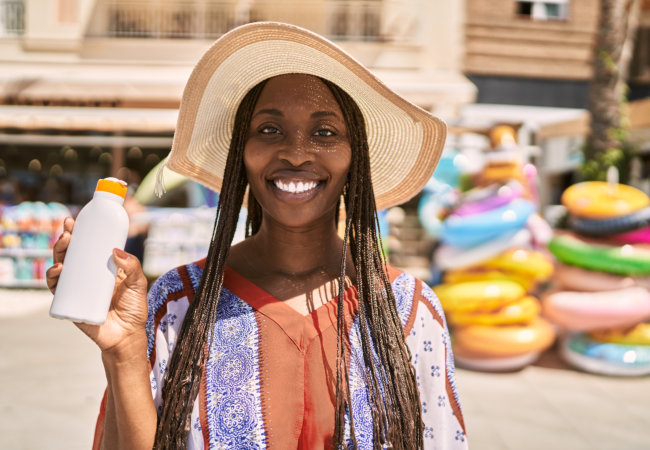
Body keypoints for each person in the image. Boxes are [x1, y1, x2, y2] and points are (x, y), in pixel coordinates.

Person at [47, 22, 467, 449]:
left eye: (325, 132)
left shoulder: (408, 310)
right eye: (269, 130)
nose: (296, 152)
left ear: (354, 155)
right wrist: (123, 351)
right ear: (240, 154)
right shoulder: (179, 301)